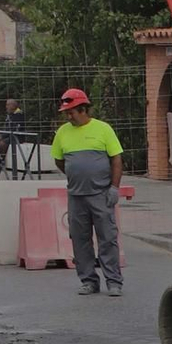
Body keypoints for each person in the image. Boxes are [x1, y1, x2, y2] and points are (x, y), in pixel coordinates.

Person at [49, 87, 125, 295]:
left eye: (71, 111)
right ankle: (89, 280)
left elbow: (116, 159)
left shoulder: (103, 129)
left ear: (83, 109)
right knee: (80, 240)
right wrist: (77, 175)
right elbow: (59, 160)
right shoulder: (63, 132)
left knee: (107, 238)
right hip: (76, 196)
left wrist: (114, 188)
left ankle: (113, 282)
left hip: (101, 194)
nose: (68, 115)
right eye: (67, 112)